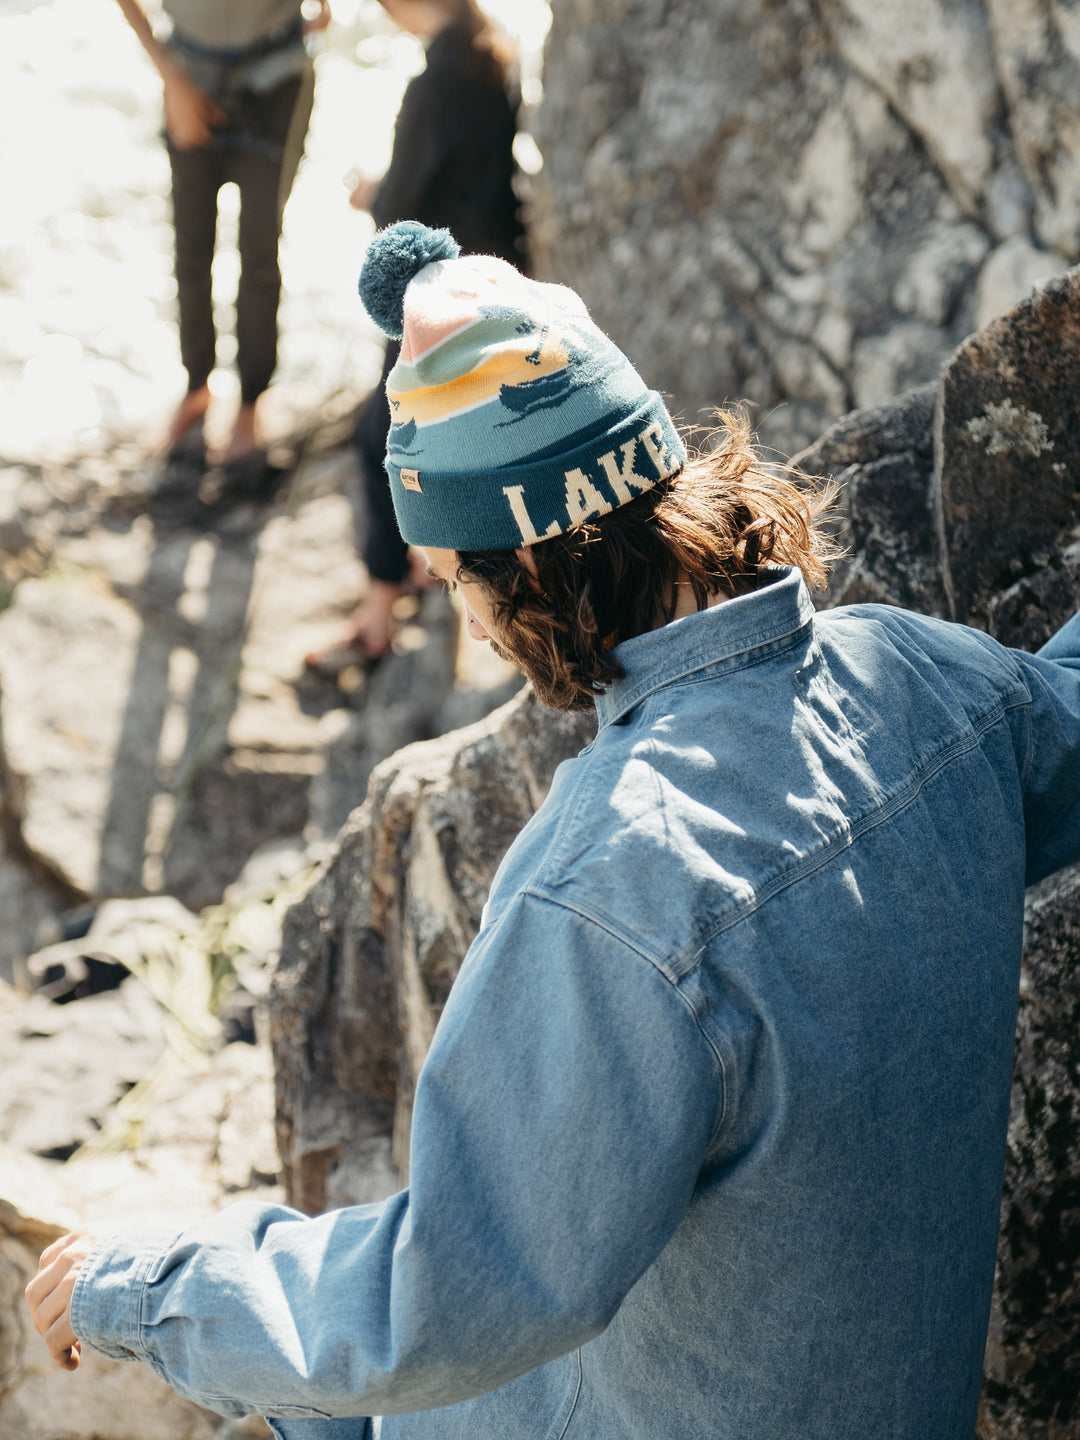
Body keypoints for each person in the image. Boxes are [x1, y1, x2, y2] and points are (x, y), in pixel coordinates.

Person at [26, 221, 1080, 1440]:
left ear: (526, 558)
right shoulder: (926, 688)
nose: (468, 625)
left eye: (455, 580)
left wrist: (149, 1286)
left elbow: (446, 1297)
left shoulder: (615, 889)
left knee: (314, 1380)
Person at [309, 0, 524, 671]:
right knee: (453, 438)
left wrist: (369, 194)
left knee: (382, 438)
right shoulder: (494, 56)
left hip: (435, 289)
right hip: (495, 275)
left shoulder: (433, 83)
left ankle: (378, 611)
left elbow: (402, 203)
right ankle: (430, 570)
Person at [114, 0, 331, 481]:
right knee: (191, 250)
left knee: (259, 250)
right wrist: (171, 79)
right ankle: (197, 388)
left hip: (279, 77)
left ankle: (252, 402)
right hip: (188, 72)